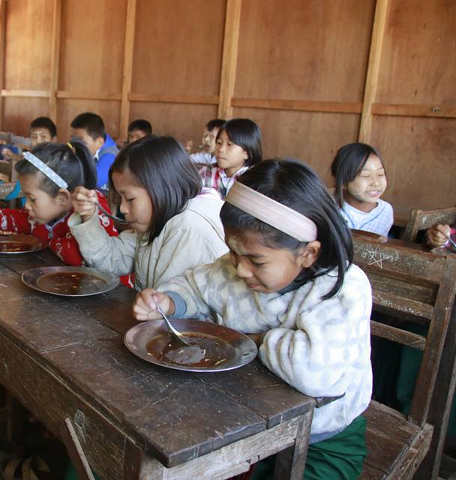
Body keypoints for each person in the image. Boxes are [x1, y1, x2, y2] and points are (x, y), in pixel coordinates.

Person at [133, 159, 372, 479]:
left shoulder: (340, 289)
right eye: (233, 253)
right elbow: (194, 286)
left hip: (323, 439)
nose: (241, 269)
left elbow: (315, 372)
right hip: (242, 421)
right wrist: (168, 302)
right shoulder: (234, 268)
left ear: (308, 254)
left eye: (256, 261)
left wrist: (247, 341)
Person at [70, 136, 229, 290]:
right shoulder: (157, 219)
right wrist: (88, 216)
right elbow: (112, 259)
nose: (123, 209)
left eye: (130, 199)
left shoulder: (189, 229)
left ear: (161, 189)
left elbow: (167, 302)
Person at [0, 141, 121, 267]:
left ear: (62, 197)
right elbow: (24, 220)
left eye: (32, 199)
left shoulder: (90, 211)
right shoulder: (48, 213)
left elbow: (75, 258)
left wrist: (47, 239)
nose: (26, 205)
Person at [331, 142, 393, 237]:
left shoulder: (386, 211)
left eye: (380, 174)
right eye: (366, 175)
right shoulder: (330, 209)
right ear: (343, 181)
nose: (376, 183)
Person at [208, 118, 262, 198]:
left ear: (247, 153)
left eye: (229, 144)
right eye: (219, 143)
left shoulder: (255, 181)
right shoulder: (206, 173)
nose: (221, 149)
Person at [70, 112, 118, 190]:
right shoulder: (96, 141)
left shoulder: (110, 155)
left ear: (99, 142)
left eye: (80, 141)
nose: (75, 145)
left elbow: (94, 182)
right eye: (73, 139)